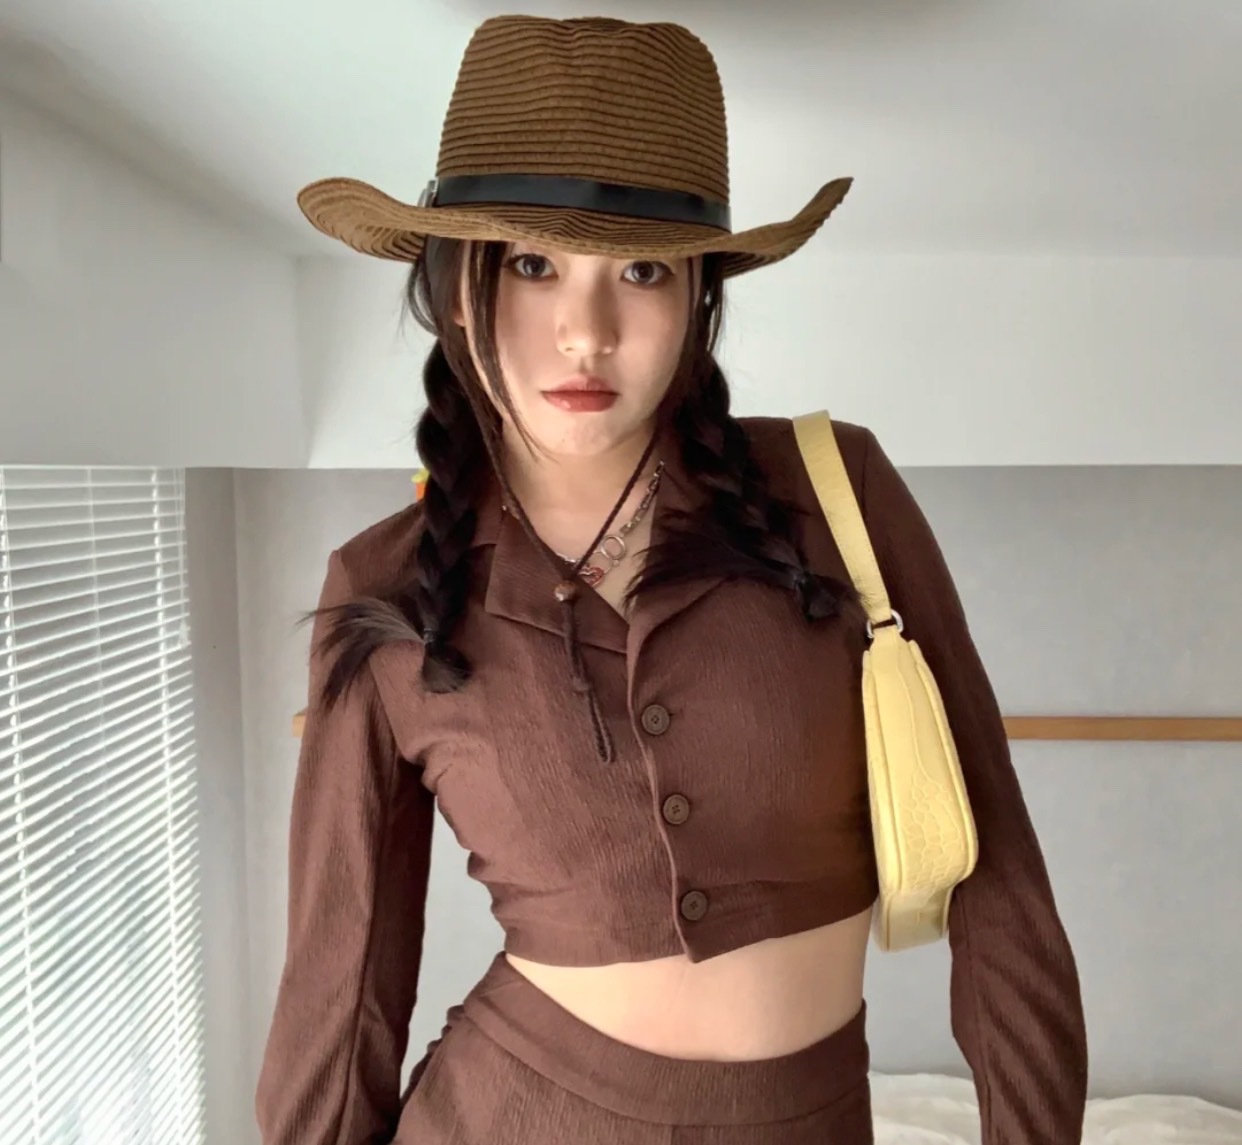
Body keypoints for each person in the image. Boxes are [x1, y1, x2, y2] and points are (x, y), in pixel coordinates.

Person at [255, 14, 1087, 1145]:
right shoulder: (388, 581)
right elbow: (340, 983)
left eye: (641, 270)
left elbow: (1003, 883)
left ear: (698, 293)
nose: (585, 332)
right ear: (455, 289)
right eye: (533, 265)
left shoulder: (835, 492)